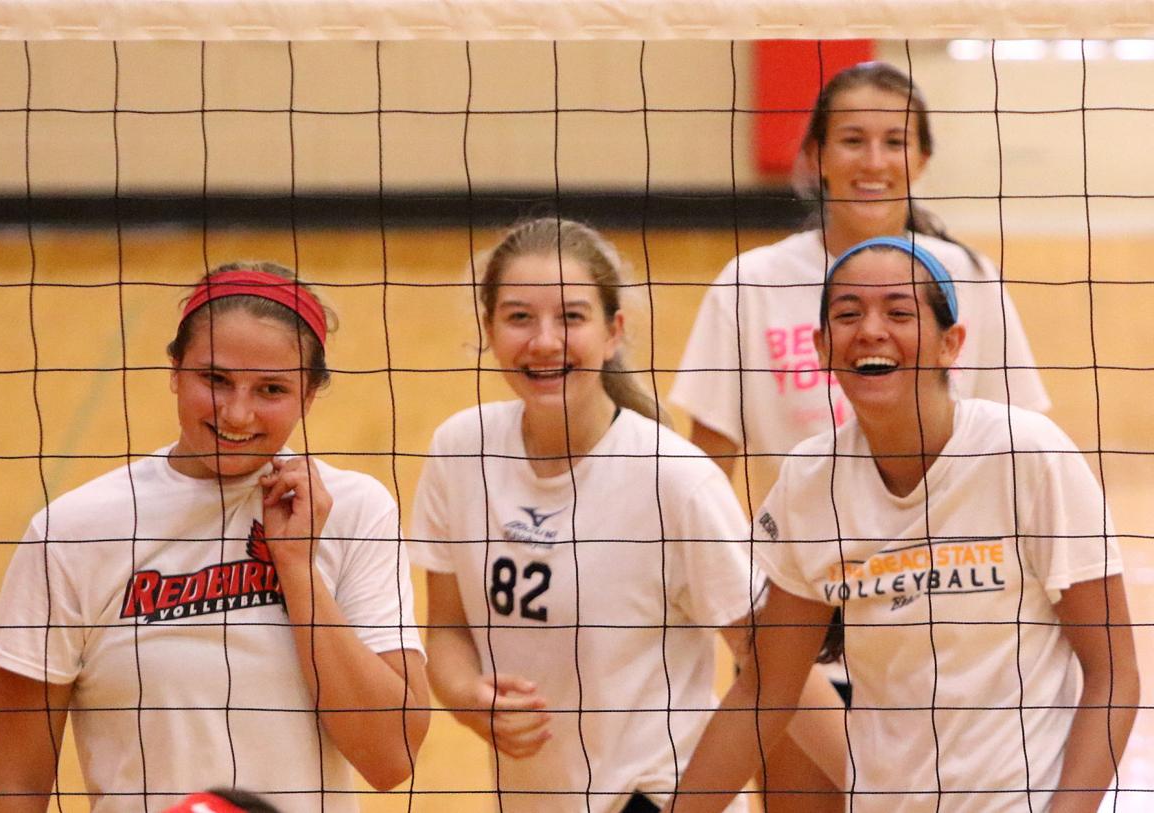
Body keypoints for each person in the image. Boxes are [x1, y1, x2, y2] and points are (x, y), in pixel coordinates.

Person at [669, 238, 1139, 813]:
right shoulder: (811, 483)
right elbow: (766, 693)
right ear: (821, 347)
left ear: (951, 344)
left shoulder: (1025, 456)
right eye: (847, 314)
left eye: (898, 312)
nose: (870, 330)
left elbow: (1114, 676)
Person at [408, 218, 847, 813]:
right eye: (519, 317)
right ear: (488, 329)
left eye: (571, 317)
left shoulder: (675, 479)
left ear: (613, 331)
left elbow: (778, 665)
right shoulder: (460, 451)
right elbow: (448, 629)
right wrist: (469, 698)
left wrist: (887, 791)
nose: (544, 341)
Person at [0, 263, 430, 812]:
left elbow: (390, 758)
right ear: (175, 370)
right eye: (214, 380)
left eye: (271, 389)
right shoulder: (70, 533)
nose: (236, 412)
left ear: (309, 395)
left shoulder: (356, 512)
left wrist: (294, 567)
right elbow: (16, 787)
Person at [672, 61, 1049, 490]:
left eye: (894, 142)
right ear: (818, 156)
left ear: (921, 159)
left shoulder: (969, 276)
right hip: (805, 551)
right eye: (853, 140)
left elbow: (1021, 444)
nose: (874, 162)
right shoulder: (751, 284)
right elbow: (709, 463)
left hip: (947, 550)